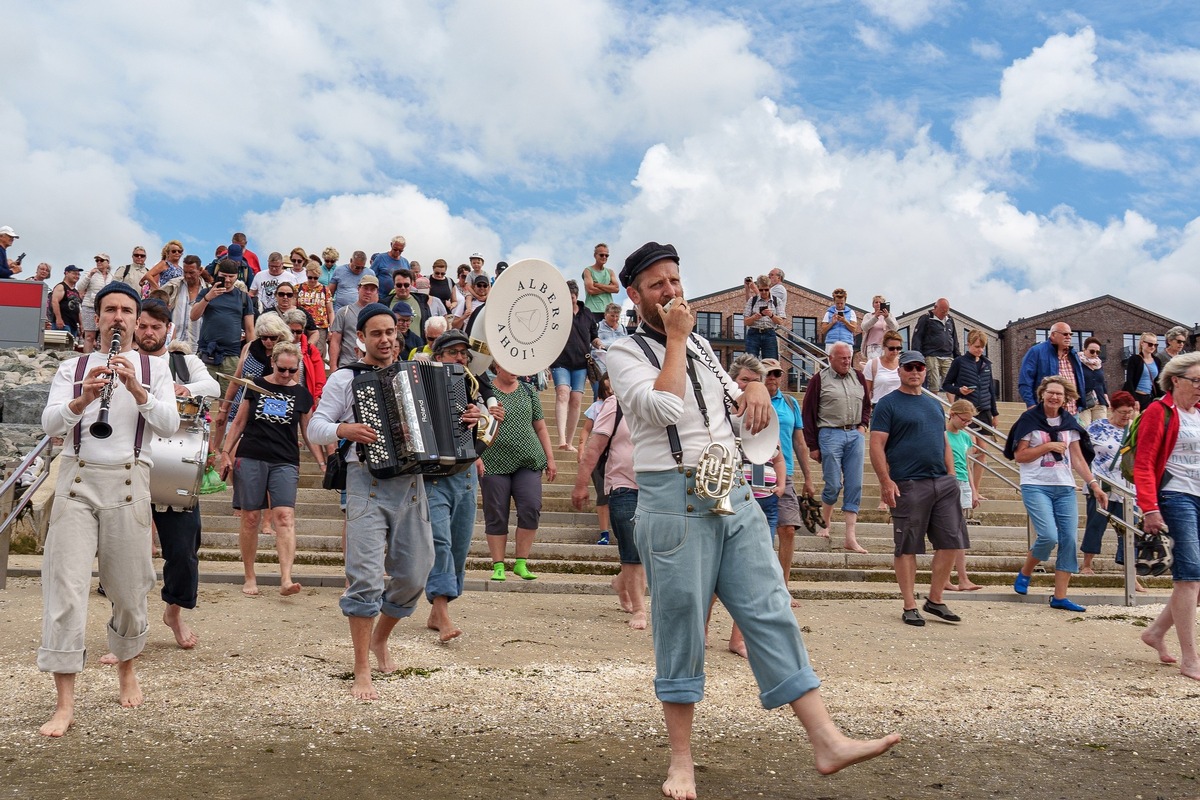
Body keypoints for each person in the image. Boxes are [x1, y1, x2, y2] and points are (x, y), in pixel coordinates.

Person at [606, 241, 899, 797]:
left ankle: (826, 740)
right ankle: (682, 761)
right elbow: (662, 408)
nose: (671, 292)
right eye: (657, 285)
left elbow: (736, 410)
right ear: (634, 294)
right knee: (681, 627)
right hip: (673, 501)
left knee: (771, 609)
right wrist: (672, 339)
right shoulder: (622, 353)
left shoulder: (696, 342)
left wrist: (757, 386)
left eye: (675, 280)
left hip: (734, 492)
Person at [37, 282, 180, 737]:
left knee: (130, 590)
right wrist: (82, 398)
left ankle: (126, 669)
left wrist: (137, 389)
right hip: (76, 480)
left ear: (138, 321)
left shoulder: (154, 368)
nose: (118, 317)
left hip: (128, 481)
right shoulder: (73, 366)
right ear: (96, 318)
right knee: (65, 591)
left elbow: (170, 424)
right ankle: (64, 703)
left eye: (126, 311)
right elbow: (49, 423)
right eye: (110, 309)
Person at [307, 304, 436, 700]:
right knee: (364, 577)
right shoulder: (346, 378)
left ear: (398, 334)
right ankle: (361, 666)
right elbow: (315, 425)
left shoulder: (421, 373)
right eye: (376, 333)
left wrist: (469, 416)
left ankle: (381, 638)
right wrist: (343, 428)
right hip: (366, 482)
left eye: (390, 332)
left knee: (415, 575)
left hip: (412, 485)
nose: (385, 339)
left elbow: (447, 417)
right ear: (360, 337)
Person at [132, 299, 220, 651]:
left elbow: (212, 388)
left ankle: (174, 613)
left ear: (168, 328)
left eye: (156, 326)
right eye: (143, 325)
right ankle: (127, 630)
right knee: (125, 555)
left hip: (175, 470)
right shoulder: (125, 361)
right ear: (135, 327)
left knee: (183, 552)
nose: (148, 332)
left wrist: (186, 389)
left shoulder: (184, 362)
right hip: (131, 466)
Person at [218, 340, 323, 597]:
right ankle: (250, 575)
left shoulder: (301, 394)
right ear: (273, 363)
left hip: (285, 459)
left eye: (292, 370)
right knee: (251, 517)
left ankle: (286, 578)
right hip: (252, 455)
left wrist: (322, 461)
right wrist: (224, 452)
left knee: (285, 516)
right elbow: (239, 422)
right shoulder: (256, 386)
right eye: (282, 369)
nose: (287, 375)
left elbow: (308, 431)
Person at [870, 351, 967, 626]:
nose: (915, 372)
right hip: (907, 482)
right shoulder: (888, 404)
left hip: (942, 482)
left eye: (920, 367)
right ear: (900, 371)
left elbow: (944, 440)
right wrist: (885, 481)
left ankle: (935, 600)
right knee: (907, 546)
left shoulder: (934, 405)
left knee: (951, 541)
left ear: (926, 371)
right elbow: (876, 444)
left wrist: (951, 476)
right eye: (909, 367)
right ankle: (909, 604)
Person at [1005, 376, 1107, 612]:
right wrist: (1047, 446)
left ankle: (1060, 597)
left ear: (1065, 398)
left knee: (1069, 540)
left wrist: (1093, 484)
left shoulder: (1068, 422)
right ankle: (1025, 572)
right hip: (1035, 484)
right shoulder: (1029, 419)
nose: (1054, 397)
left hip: (1065, 487)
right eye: (1051, 392)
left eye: (1059, 394)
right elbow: (1019, 456)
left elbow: (1078, 459)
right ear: (1042, 394)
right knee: (1049, 536)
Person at [423, 330, 501, 642]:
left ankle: (436, 609)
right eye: (453, 353)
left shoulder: (476, 387)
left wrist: (480, 415)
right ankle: (441, 611)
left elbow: (489, 433)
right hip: (431, 475)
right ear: (438, 355)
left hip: (466, 473)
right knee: (439, 541)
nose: (460, 358)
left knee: (458, 544)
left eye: (463, 354)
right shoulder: (420, 380)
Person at [1134, 352, 1200, 679]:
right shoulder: (1157, 412)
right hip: (1176, 496)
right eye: (1197, 381)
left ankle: (1155, 632)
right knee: (1189, 576)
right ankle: (1191, 658)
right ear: (1176, 380)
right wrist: (1149, 507)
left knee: (1196, 578)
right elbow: (1143, 464)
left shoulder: (1199, 413)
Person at [572, 375, 648, 630]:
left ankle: (621, 581)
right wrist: (581, 485)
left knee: (652, 548)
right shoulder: (615, 405)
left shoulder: (658, 401)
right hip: (623, 485)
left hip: (657, 486)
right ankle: (639, 609)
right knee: (632, 548)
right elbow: (594, 447)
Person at [482, 362, 557, 581]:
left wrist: (550, 458)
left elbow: (540, 426)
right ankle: (498, 565)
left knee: (531, 507)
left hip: (528, 458)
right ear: (496, 366)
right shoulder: (486, 392)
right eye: (508, 364)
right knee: (495, 512)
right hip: (494, 460)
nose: (514, 368)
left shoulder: (528, 390)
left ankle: (521, 563)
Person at [801, 341, 871, 553]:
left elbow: (867, 403)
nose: (846, 361)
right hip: (829, 433)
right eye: (842, 358)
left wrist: (863, 425)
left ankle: (850, 536)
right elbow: (808, 413)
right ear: (831, 359)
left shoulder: (858, 376)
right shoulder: (819, 379)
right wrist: (812, 445)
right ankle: (826, 522)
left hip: (854, 434)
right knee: (832, 483)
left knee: (855, 484)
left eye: (849, 357)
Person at [761, 357, 814, 598]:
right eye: (768, 373)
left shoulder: (791, 403)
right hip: (757, 470)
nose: (772, 378)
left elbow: (800, 443)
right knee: (760, 532)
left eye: (776, 373)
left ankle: (783, 585)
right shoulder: (751, 399)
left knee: (788, 529)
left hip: (786, 472)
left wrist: (809, 478)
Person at [1080, 391, 1138, 581]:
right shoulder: (1097, 427)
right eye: (1122, 412)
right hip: (1100, 483)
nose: (1126, 416)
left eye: (1129, 411)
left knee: (1129, 529)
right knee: (1096, 524)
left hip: (1126, 486)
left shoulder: (1134, 430)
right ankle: (1087, 563)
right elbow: (1083, 452)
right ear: (1112, 409)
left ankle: (1130, 573)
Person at [942, 329, 999, 498]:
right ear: (969, 344)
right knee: (971, 447)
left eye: (982, 347)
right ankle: (965, 486)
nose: (979, 350)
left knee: (983, 450)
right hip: (966, 411)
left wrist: (995, 413)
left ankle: (977, 490)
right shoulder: (959, 362)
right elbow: (946, 385)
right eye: (976, 347)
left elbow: (990, 390)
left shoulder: (986, 364)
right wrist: (960, 390)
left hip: (985, 411)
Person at [550, 279, 601, 452]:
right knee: (563, 393)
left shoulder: (587, 313)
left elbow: (593, 335)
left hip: (581, 363)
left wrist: (599, 343)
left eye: (571, 296)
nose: (569, 300)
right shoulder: (556, 311)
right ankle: (562, 439)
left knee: (576, 401)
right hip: (560, 361)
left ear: (576, 296)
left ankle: (570, 442)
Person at [192, 260, 256, 397]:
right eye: (223, 275)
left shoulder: (243, 297)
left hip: (232, 355)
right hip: (206, 352)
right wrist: (208, 298)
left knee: (229, 400)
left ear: (236, 276)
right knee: (203, 398)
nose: (227, 280)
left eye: (231, 276)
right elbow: (193, 316)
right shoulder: (206, 292)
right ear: (217, 274)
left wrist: (252, 355)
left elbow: (250, 328)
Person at [944, 399, 983, 591]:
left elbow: (966, 463)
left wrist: (974, 490)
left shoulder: (965, 437)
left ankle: (960, 577)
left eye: (969, 421)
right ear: (953, 414)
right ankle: (955, 577)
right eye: (964, 420)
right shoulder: (942, 434)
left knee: (958, 532)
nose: (967, 424)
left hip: (963, 482)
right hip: (949, 482)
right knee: (953, 532)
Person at [578, 375, 616, 545]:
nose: (610, 392)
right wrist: (581, 449)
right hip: (599, 457)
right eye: (606, 388)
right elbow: (586, 430)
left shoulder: (625, 405)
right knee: (602, 494)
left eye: (612, 388)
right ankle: (604, 532)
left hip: (618, 456)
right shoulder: (597, 406)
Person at [1018, 321, 1084, 411]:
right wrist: (1031, 405)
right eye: (1065, 334)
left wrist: (1081, 404)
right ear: (1053, 335)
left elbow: (1080, 380)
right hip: (1046, 411)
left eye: (1070, 334)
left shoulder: (1073, 354)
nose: (1069, 337)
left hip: (1073, 412)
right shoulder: (1036, 352)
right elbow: (1025, 381)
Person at [328, 273, 381, 368]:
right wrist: (333, 366)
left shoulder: (380, 314)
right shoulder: (344, 312)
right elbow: (335, 341)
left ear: (376, 292)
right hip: (347, 365)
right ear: (358, 289)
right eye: (365, 288)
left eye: (372, 289)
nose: (368, 292)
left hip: (372, 366)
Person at [911, 298, 960, 395]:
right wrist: (917, 357)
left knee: (950, 383)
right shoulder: (926, 319)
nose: (945, 314)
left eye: (946, 311)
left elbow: (954, 338)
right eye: (942, 312)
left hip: (947, 355)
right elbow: (917, 338)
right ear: (935, 308)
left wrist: (957, 356)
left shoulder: (950, 320)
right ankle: (934, 405)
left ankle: (954, 406)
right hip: (931, 355)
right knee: (934, 382)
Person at [162, 255, 206, 348]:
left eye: (191, 272)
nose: (187, 276)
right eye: (185, 272)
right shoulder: (173, 285)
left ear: (200, 271)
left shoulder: (207, 290)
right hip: (173, 344)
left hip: (197, 346)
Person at [76, 254, 114, 353]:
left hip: (104, 308)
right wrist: (89, 276)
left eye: (101, 260)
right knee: (89, 336)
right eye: (97, 260)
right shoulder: (90, 273)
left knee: (104, 334)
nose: (99, 262)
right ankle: (86, 357)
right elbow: (80, 287)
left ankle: (103, 357)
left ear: (107, 262)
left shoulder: (111, 276)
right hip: (89, 306)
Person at [744, 276, 785, 360]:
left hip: (769, 333)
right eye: (761, 290)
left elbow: (781, 321)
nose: (764, 292)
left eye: (766, 290)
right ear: (758, 288)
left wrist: (771, 315)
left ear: (769, 288)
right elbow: (745, 322)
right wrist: (754, 317)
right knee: (750, 362)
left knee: (771, 363)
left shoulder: (777, 301)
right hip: (753, 333)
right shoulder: (752, 300)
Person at [297, 263, 334, 356]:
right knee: (300, 352)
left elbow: (330, 311)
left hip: (320, 327)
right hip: (302, 326)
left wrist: (331, 330)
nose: (312, 280)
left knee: (317, 353)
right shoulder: (298, 288)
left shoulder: (325, 290)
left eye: (315, 278)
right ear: (306, 274)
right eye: (310, 277)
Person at [1123, 332, 1165, 411]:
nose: (1153, 347)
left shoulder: (1157, 361)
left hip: (1148, 397)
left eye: (1155, 345)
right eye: (1150, 344)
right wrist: (1134, 399)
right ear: (1142, 343)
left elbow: (1157, 382)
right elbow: (1129, 380)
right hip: (1135, 395)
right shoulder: (1135, 359)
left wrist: (1162, 397)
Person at [863, 330, 904, 405]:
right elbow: (866, 392)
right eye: (891, 348)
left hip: (901, 407)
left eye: (898, 348)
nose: (895, 351)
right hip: (880, 407)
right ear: (884, 347)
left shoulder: (903, 364)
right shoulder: (872, 364)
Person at [1077, 336, 1110, 425]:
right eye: (1092, 351)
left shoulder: (1099, 364)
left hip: (1100, 401)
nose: (1095, 354)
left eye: (1098, 352)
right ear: (1084, 349)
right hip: (1085, 402)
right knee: (1085, 430)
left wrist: (1106, 397)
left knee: (1102, 430)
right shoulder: (1078, 363)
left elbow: (1102, 382)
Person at [582, 242, 618, 323]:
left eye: (606, 255)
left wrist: (598, 285)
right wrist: (608, 287)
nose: (604, 257)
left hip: (608, 311)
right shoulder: (588, 270)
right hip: (592, 310)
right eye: (601, 255)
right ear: (595, 255)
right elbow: (590, 290)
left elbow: (616, 289)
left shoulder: (610, 272)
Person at [817, 288, 858, 354]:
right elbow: (823, 330)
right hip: (831, 343)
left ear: (845, 302)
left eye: (841, 303)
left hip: (846, 342)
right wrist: (832, 323)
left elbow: (854, 329)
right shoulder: (828, 313)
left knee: (846, 363)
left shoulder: (851, 312)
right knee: (832, 364)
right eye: (837, 303)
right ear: (834, 302)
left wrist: (845, 321)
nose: (839, 305)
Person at [859, 295, 898, 361]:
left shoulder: (889, 315)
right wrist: (875, 317)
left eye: (880, 302)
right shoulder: (868, 316)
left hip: (887, 346)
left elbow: (895, 328)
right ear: (873, 305)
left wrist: (887, 317)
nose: (878, 304)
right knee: (874, 367)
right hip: (873, 346)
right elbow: (864, 327)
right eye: (876, 302)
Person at [50, 265, 83, 338]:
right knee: (61, 346)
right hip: (63, 323)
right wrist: (58, 319)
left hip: (73, 324)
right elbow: (54, 302)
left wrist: (81, 324)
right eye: (74, 273)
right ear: (66, 273)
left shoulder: (76, 291)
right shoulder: (61, 287)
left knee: (70, 347)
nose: (77, 276)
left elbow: (78, 309)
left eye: (78, 274)